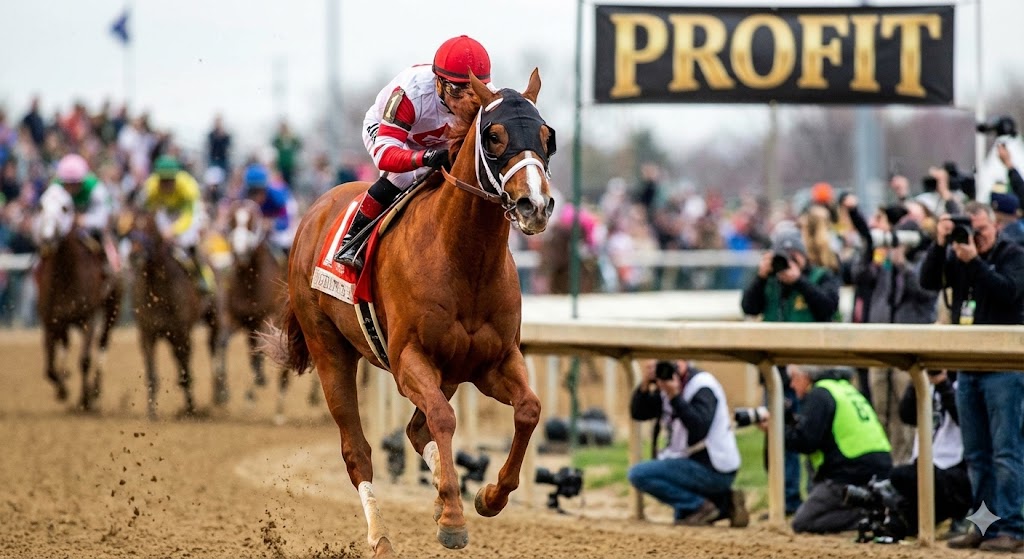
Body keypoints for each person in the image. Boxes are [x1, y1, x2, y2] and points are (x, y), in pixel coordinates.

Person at [336, 35, 491, 270]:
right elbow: (385, 156)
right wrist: (425, 158)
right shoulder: (411, 93)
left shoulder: (489, 96)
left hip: (439, 140)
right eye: (456, 90)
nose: (466, 102)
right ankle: (353, 239)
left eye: (475, 91)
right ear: (438, 83)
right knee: (402, 176)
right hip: (390, 132)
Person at [920, 201, 1024, 552]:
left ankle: (1012, 528)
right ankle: (984, 526)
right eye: (969, 231)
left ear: (996, 227)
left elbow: (1008, 291)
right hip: (968, 368)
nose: (974, 238)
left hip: (1005, 370)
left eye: (981, 231)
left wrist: (975, 262)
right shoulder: (958, 257)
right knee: (977, 456)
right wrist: (940, 243)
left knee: (1005, 453)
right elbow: (927, 281)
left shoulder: (1013, 255)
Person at [741, 227, 841, 514]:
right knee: (776, 437)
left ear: (802, 255)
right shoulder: (770, 282)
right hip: (775, 373)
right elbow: (749, 306)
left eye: (792, 255)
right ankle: (784, 500)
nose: (786, 262)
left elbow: (827, 308)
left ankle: (815, 498)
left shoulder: (821, 277)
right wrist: (761, 277)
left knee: (811, 437)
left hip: (810, 376)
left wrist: (799, 281)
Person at [851, 201, 939, 465]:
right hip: (882, 345)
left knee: (906, 414)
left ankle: (906, 466)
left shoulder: (925, 260)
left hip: (909, 349)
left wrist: (903, 265)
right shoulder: (884, 262)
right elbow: (860, 276)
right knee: (880, 410)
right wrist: (870, 250)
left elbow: (925, 293)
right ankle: (884, 465)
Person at [757, 365, 892, 534]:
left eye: (794, 378)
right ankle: (874, 509)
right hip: (878, 467)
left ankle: (871, 516)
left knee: (804, 521)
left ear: (806, 376)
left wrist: (776, 429)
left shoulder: (819, 394)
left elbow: (806, 442)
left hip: (849, 472)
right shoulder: (844, 388)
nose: (791, 384)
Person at [627, 360, 748, 528]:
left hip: (714, 468)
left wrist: (675, 397)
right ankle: (723, 504)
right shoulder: (665, 385)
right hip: (691, 463)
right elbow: (638, 413)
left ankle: (702, 505)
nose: (670, 366)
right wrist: (645, 384)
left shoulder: (702, 386)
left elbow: (698, 429)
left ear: (685, 361)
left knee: (640, 474)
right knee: (682, 516)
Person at [889, 370, 971, 539]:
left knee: (905, 476)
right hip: (925, 464)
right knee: (895, 523)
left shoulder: (963, 384)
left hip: (956, 469)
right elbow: (907, 416)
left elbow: (964, 418)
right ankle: (935, 520)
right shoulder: (925, 383)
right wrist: (917, 378)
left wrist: (943, 384)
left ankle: (956, 516)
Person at [141, 155, 210, 292]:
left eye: (170, 180)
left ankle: (202, 277)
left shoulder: (188, 186)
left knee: (188, 241)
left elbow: (188, 216)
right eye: (163, 180)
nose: (166, 184)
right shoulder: (150, 186)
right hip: (166, 211)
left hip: (187, 213)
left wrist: (173, 231)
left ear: (176, 177)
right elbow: (147, 210)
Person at [42, 154, 116, 272]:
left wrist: (84, 220)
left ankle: (113, 270)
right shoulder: (55, 188)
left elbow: (103, 218)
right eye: (68, 183)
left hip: (90, 230)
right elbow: (48, 213)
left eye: (75, 183)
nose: (71, 188)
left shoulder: (96, 188)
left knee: (105, 242)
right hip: (64, 230)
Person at [242, 163, 297, 256]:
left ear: (265, 189)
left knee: (285, 241)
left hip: (279, 230)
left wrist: (272, 224)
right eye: (252, 192)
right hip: (260, 230)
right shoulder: (243, 196)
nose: (256, 196)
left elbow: (286, 221)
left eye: (259, 191)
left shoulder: (277, 197)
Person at [271, 121, 301, 188]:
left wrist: (292, 136)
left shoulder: (291, 139)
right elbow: (273, 143)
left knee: (290, 181)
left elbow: (298, 144)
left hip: (290, 164)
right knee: (282, 180)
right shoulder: (279, 139)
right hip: (281, 163)